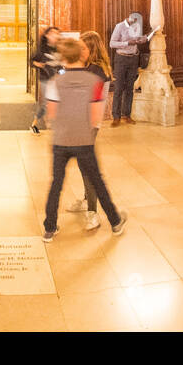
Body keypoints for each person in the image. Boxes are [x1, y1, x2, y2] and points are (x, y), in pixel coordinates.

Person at [42, 37, 127, 242]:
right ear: (82, 54)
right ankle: (115, 222)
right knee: (97, 181)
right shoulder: (93, 81)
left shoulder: (57, 80)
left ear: (63, 57)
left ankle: (50, 229)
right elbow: (95, 115)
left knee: (56, 183)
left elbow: (51, 113)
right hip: (83, 139)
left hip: (61, 139)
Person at [66, 31, 113, 230]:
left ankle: (93, 212)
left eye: (83, 48)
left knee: (88, 169)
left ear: (92, 49)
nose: (79, 51)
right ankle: (87, 200)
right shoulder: (87, 68)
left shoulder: (97, 71)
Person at [108, 12, 146, 127]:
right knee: (119, 88)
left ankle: (127, 115)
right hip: (121, 59)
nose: (136, 23)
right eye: (134, 20)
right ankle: (116, 117)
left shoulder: (136, 28)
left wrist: (142, 39)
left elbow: (137, 40)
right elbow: (112, 43)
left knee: (130, 88)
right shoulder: (119, 26)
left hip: (133, 59)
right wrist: (127, 43)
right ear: (129, 18)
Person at [29, 26, 61, 133]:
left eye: (57, 33)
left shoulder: (61, 48)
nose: (55, 35)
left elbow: (63, 65)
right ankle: (35, 123)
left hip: (58, 80)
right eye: (52, 33)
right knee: (45, 103)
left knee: (57, 102)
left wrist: (62, 73)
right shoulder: (42, 49)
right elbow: (32, 61)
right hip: (45, 79)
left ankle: (54, 124)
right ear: (47, 35)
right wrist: (39, 65)